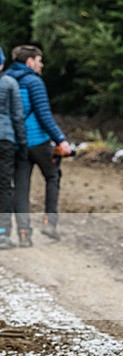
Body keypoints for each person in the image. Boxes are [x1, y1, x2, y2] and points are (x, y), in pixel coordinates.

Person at [6, 45, 71, 246]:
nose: (41, 65)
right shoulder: (34, 81)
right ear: (30, 62)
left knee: (21, 189)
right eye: (39, 61)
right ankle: (49, 223)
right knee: (52, 176)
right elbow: (44, 115)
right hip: (39, 142)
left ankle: (24, 235)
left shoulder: (6, 80)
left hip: (18, 144)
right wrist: (61, 139)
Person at [0, 46, 27, 249]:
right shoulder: (10, 83)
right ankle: (3, 233)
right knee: (4, 186)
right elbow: (18, 116)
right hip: (5, 139)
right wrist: (23, 143)